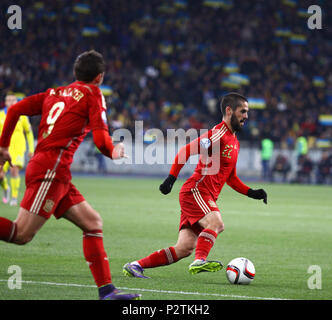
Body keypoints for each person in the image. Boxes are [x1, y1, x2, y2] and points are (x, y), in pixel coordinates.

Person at [0, 50, 140, 300]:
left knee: (92, 223)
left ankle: (107, 292)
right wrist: (113, 151)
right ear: (99, 77)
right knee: (21, 234)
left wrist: (3, 146)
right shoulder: (93, 94)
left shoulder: (53, 93)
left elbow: (14, 111)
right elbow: (100, 140)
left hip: (55, 172)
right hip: (50, 171)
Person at [123, 92, 267, 278]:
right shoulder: (218, 134)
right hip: (196, 191)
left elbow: (230, 177)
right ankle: (200, 260)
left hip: (202, 195)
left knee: (184, 248)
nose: (246, 116)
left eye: (247, 112)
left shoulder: (234, 141)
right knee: (216, 223)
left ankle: (135, 266)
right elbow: (186, 150)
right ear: (229, 111)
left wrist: (252, 193)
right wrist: (171, 179)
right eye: (243, 111)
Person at [0, 94, 35, 206]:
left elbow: (29, 133)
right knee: (0, 175)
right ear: (5, 102)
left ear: (16, 102)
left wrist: (31, 148)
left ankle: (14, 197)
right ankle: (6, 189)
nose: (10, 102)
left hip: (18, 148)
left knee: (14, 170)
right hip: (4, 149)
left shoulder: (22, 116)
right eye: (8, 100)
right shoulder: (0, 115)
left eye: (13, 100)